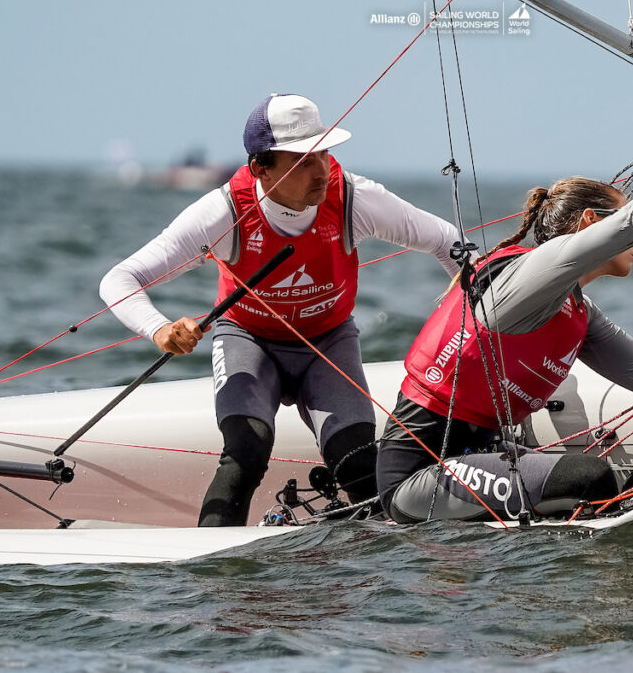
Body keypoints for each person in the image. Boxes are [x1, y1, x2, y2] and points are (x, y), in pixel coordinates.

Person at [100, 93, 462, 526]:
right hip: (249, 342)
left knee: (361, 468)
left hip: (327, 343)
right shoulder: (224, 211)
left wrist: (467, 316)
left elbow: (449, 242)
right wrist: (159, 329)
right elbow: (119, 280)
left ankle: (372, 584)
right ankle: (210, 578)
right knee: (246, 452)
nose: (322, 170)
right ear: (260, 168)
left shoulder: (354, 199)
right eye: (303, 160)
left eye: (324, 154)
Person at [376, 147, 633, 523]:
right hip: (416, 476)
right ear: (591, 223)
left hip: (477, 457)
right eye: (620, 221)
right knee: (588, 479)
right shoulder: (531, 273)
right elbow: (631, 225)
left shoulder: (578, 311)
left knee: (632, 481)